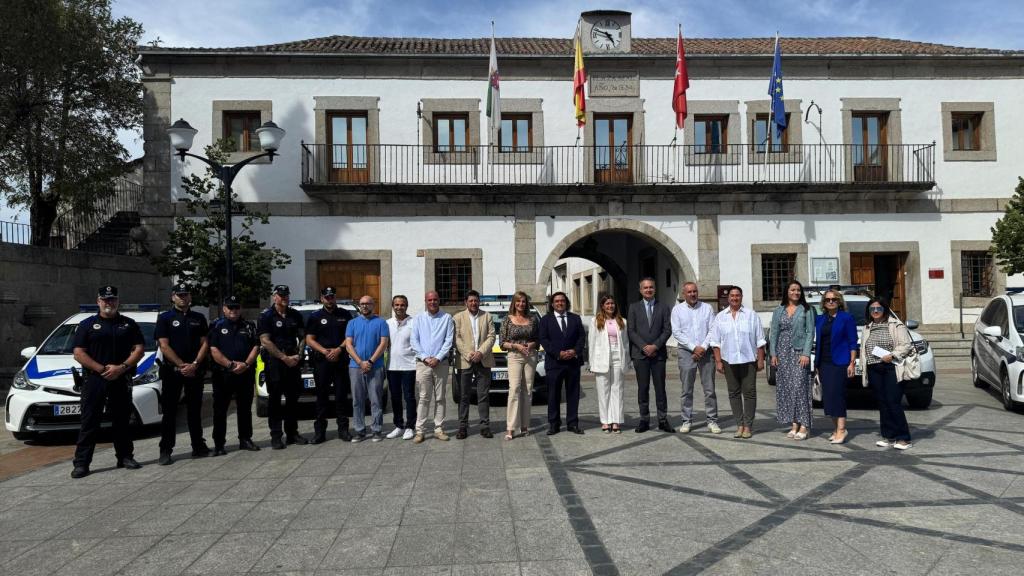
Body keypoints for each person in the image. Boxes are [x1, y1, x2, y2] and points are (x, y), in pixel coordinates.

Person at [70, 286, 145, 478]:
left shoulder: (128, 324)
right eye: (105, 300)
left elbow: (139, 349)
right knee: (89, 422)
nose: (109, 303)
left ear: (118, 301)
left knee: (121, 420)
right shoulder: (87, 324)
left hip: (120, 377)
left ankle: (125, 456)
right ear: (98, 302)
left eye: (112, 299)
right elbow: (78, 353)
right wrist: (102, 369)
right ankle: (81, 463)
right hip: (95, 379)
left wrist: (122, 368)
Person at [154, 283, 210, 464]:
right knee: (170, 412)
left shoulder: (199, 318)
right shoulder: (165, 318)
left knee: (194, 411)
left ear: (190, 297)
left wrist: (194, 364)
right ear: (173, 297)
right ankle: (166, 450)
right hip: (173, 372)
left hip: (194, 371)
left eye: (186, 295)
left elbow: (205, 343)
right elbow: (163, 345)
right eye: (179, 295)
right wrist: (181, 364)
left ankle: (198, 446)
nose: (183, 298)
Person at [710, 286, 766, 439]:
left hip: (748, 360)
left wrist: (760, 360)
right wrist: (718, 361)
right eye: (732, 296)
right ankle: (739, 424)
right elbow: (715, 342)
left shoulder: (751, 315)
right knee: (733, 393)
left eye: (737, 295)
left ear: (741, 297)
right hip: (729, 360)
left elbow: (760, 339)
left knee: (749, 393)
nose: (734, 298)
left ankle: (748, 426)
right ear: (728, 298)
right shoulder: (720, 317)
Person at [208, 295, 261, 454]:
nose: (234, 310)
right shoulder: (216, 325)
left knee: (244, 408)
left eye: (236, 307)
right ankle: (219, 444)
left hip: (245, 372)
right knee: (220, 410)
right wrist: (230, 365)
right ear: (224, 308)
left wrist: (246, 364)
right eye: (230, 307)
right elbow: (213, 349)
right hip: (223, 374)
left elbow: (256, 346)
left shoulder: (249, 325)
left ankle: (245, 439)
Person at [258, 284, 308, 450]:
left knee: (293, 399)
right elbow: (265, 340)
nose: (284, 298)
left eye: (286, 295)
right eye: (280, 295)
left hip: (292, 361)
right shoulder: (266, 316)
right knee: (274, 401)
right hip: (275, 363)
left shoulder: (295, 315)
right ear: (274, 297)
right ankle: (276, 436)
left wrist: (299, 356)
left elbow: (302, 337)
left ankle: (292, 433)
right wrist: (283, 357)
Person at [860, 298, 915, 450]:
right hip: (874, 368)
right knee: (882, 403)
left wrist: (892, 355)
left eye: (879, 309)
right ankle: (888, 436)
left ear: (885, 310)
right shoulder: (867, 327)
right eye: (872, 309)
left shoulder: (896, 325)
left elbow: (906, 345)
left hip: (892, 367)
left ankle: (904, 438)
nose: (876, 311)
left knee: (893, 401)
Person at [305, 286, 354, 444]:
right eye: (326, 297)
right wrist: (325, 351)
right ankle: (320, 432)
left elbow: (350, 336)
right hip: (322, 361)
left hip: (340, 360)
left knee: (341, 396)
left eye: (332, 296)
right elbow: (310, 339)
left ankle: (343, 430)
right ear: (322, 298)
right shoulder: (315, 316)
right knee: (321, 397)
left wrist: (339, 350)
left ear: (335, 297)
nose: (329, 299)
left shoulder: (345, 315)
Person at [670, 282, 720, 434]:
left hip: (706, 351)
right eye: (689, 292)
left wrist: (703, 347)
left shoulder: (707, 308)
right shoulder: (677, 310)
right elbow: (677, 332)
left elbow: (713, 329)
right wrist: (693, 347)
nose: (692, 294)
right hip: (686, 352)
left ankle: (712, 421)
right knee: (686, 389)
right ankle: (686, 420)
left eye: (695, 291)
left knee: (709, 389)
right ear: (683, 294)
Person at [769, 280, 817, 441]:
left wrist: (805, 353)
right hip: (782, 353)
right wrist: (773, 354)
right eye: (793, 290)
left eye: (798, 290)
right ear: (787, 292)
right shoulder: (779, 310)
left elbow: (810, 332)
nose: (796, 293)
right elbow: (774, 333)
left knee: (800, 387)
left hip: (799, 353)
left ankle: (805, 425)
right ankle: (794, 423)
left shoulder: (807, 310)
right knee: (787, 388)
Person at [627, 277, 674, 433]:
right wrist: (643, 346)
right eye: (645, 288)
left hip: (658, 354)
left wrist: (655, 346)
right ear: (640, 290)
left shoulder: (664, 307)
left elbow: (667, 329)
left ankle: (662, 419)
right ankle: (644, 420)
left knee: (660, 388)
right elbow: (631, 331)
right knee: (643, 388)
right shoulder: (633, 307)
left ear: (655, 289)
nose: (648, 290)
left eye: (651, 287)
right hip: (640, 355)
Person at [410, 291, 454, 443]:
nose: (433, 302)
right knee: (423, 398)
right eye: (430, 300)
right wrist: (425, 357)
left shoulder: (447, 318)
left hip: (440, 363)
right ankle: (420, 430)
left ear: (439, 300)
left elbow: (448, 340)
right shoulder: (418, 319)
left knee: (440, 397)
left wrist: (437, 358)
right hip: (423, 364)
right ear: (425, 301)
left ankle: (438, 428)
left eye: (435, 299)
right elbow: (414, 340)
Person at [814, 289, 858, 445]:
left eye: (834, 299)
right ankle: (836, 428)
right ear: (824, 303)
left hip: (840, 362)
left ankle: (841, 429)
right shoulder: (820, 319)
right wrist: (817, 364)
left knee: (838, 396)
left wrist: (852, 362)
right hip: (823, 362)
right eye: (827, 300)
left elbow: (853, 342)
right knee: (828, 397)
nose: (830, 302)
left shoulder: (847, 318)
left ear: (839, 301)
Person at [344, 295, 390, 442]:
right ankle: (360, 430)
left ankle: (376, 430)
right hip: (355, 367)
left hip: (375, 366)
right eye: (362, 303)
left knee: (376, 399)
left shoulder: (381, 323)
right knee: (357, 400)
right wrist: (360, 362)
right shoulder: (352, 323)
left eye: (368, 303)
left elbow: (383, 344)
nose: (365, 306)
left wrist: (369, 361)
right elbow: (349, 344)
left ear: (373, 305)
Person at [539, 292, 585, 435]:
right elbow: (544, 339)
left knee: (573, 393)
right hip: (554, 363)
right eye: (557, 301)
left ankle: (572, 423)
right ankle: (554, 424)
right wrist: (558, 353)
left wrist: (574, 351)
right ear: (552, 304)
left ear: (566, 302)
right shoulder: (546, 320)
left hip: (573, 362)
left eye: (562, 301)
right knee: (553, 394)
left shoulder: (575, 318)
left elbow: (582, 337)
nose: (560, 303)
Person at [453, 290, 496, 439]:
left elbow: (491, 336)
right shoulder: (458, 317)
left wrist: (480, 353)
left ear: (479, 302)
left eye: (476, 301)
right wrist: (468, 354)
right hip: (465, 361)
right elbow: (456, 338)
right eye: (470, 301)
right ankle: (463, 427)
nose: (473, 303)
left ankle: (484, 426)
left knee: (483, 395)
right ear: (466, 302)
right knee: (463, 396)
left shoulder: (487, 316)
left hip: (483, 360)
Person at [500, 291, 539, 440]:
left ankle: (524, 425)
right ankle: (510, 428)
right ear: (514, 303)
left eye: (523, 301)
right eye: (518, 301)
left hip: (530, 356)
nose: (521, 304)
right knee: (514, 389)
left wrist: (531, 344)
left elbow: (537, 338)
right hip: (515, 356)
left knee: (528, 390)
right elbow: (502, 343)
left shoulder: (533, 319)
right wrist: (516, 346)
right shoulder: (507, 320)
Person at [588, 294, 629, 433]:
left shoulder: (622, 321)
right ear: (602, 306)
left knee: (617, 390)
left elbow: (626, 343)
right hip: (601, 359)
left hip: (618, 358)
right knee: (603, 391)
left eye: (612, 303)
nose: (610, 306)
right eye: (607, 304)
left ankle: (616, 420)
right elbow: (591, 343)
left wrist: (627, 362)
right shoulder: (595, 321)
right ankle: (605, 421)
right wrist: (591, 362)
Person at [386, 295, 417, 440]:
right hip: (392, 366)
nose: (399, 307)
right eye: (397, 305)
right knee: (395, 397)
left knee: (409, 397)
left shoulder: (413, 322)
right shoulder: (387, 323)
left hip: (409, 365)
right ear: (393, 306)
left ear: (407, 306)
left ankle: (410, 426)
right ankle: (399, 425)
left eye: (402, 305)